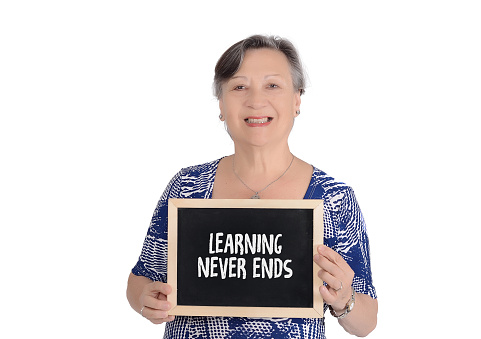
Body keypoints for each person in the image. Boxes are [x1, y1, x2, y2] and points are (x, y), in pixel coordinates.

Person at [126, 34, 378, 338]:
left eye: (272, 85)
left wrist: (343, 300)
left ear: (297, 99)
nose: (256, 100)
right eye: (239, 86)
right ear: (221, 103)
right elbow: (139, 280)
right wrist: (145, 301)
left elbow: (367, 321)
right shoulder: (187, 187)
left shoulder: (334, 198)